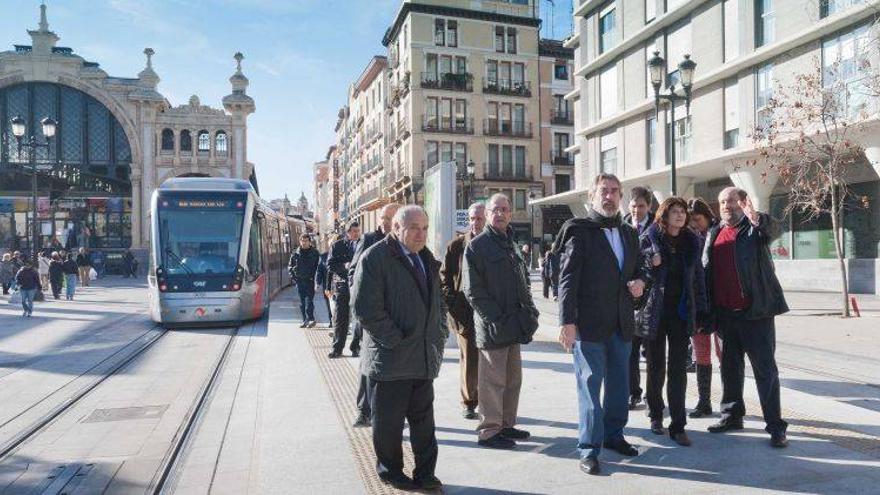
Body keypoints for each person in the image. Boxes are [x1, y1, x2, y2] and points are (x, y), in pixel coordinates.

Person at [557, 174, 647, 475]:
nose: (609, 197)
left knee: (620, 388)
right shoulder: (579, 231)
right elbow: (567, 279)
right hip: (589, 325)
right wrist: (567, 322)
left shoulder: (628, 233)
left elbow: (639, 268)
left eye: (614, 192)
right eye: (603, 192)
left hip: (622, 323)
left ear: (620, 196)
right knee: (590, 389)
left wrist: (640, 282)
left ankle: (613, 435)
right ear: (592, 195)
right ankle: (589, 448)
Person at [351, 205, 446, 491]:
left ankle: (426, 474)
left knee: (424, 424)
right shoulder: (375, 258)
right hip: (390, 361)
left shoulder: (426, 259)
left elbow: (437, 305)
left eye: (425, 228)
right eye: (414, 227)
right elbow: (365, 309)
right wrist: (396, 340)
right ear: (396, 228)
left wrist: (439, 334)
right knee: (388, 425)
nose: (421, 234)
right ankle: (391, 472)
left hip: (421, 359)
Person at [704, 187, 789, 448]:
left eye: (731, 200)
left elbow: (776, 230)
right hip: (725, 317)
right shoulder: (714, 232)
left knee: (765, 372)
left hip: (756, 315)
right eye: (722, 202)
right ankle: (731, 416)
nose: (726, 205)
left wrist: (758, 218)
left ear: (742, 203)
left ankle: (775, 426)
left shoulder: (755, 230)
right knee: (729, 369)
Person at [462, 193, 539, 450]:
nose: (500, 214)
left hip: (514, 323)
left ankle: (506, 425)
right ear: (488, 214)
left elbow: (523, 280)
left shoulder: (511, 242)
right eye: (496, 209)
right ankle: (489, 430)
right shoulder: (477, 246)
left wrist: (530, 311)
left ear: (510, 213)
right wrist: (494, 318)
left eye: (505, 209)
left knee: (512, 380)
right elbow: (472, 290)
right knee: (492, 382)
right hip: (493, 326)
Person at [635, 197, 707, 447]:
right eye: (674, 212)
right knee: (655, 366)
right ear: (664, 215)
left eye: (682, 212)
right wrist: (650, 262)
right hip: (655, 311)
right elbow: (638, 269)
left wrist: (702, 310)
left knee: (679, 369)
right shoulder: (650, 238)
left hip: (680, 313)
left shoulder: (692, 242)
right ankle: (656, 414)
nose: (680, 216)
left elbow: (698, 276)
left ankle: (678, 424)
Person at [349, 203, 400, 428]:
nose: (387, 223)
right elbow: (353, 271)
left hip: (396, 316)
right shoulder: (369, 239)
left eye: (392, 219)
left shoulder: (404, 243)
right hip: (372, 315)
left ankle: (390, 412)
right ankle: (364, 410)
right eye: (385, 219)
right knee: (368, 364)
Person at [440, 202, 486, 421]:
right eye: (472, 219)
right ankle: (469, 402)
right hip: (464, 311)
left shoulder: (494, 243)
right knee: (469, 357)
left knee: (491, 359)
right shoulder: (456, 246)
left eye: (479, 218)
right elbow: (444, 278)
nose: (475, 223)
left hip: (489, 312)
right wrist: (453, 304)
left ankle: (489, 400)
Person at [687, 197, 722, 418]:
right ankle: (704, 401)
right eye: (691, 222)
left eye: (697, 220)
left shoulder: (719, 233)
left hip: (718, 304)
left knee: (723, 354)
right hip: (697, 305)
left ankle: (731, 401)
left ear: (708, 216)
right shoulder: (689, 238)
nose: (695, 225)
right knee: (701, 354)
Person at [624, 186, 654, 410]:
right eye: (633, 206)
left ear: (649, 206)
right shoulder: (621, 226)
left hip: (652, 298)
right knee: (630, 351)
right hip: (627, 298)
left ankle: (652, 396)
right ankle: (632, 392)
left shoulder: (656, 228)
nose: (637, 210)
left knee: (652, 352)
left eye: (641, 206)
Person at [327, 221, 361, 358]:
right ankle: (337, 348)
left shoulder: (362, 245)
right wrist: (344, 266)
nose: (356, 234)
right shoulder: (337, 246)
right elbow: (330, 265)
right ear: (347, 233)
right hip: (342, 286)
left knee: (358, 319)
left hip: (359, 287)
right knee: (340, 318)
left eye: (358, 231)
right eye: (354, 231)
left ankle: (355, 347)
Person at [289, 234, 320, 327]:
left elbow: (318, 267)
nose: (304, 242)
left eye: (306, 240)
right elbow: (290, 266)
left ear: (309, 241)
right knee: (302, 302)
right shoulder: (295, 253)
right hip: (299, 281)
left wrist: (317, 280)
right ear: (300, 241)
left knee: (309, 300)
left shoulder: (315, 253)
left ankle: (311, 319)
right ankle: (305, 320)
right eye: (302, 240)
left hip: (310, 280)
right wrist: (294, 277)